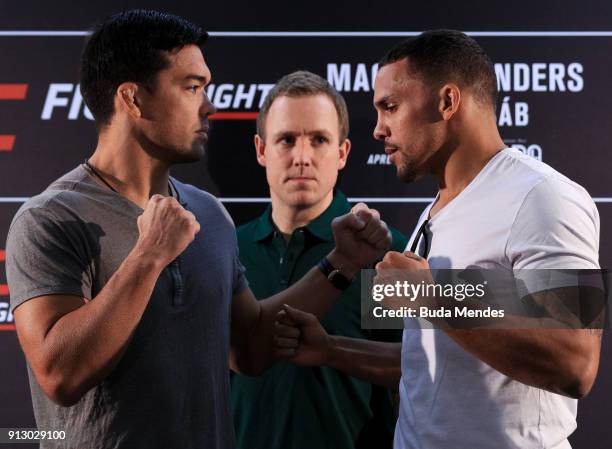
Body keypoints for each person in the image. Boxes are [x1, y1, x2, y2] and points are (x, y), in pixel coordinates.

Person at [4, 10, 392, 449]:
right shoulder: (50, 219)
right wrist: (149, 255)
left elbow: (248, 347)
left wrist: (340, 263)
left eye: (319, 139)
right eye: (191, 87)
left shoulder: (211, 215)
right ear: (132, 99)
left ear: (343, 152)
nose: (209, 105)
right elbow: (60, 375)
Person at [274, 30, 602, 449]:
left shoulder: (543, 195)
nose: (377, 129)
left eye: (390, 107)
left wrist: (432, 298)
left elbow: (576, 363)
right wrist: (331, 350)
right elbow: (431, 361)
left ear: (447, 102)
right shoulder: (436, 210)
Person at [231, 70, 407, 449]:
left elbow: (427, 370)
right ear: (261, 149)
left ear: (342, 153)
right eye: (287, 140)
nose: (302, 157)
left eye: (319, 140)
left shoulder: (386, 255)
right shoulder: (227, 250)